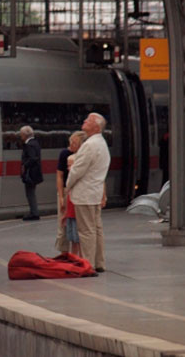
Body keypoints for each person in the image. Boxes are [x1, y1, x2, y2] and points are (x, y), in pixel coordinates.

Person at [65, 112, 110, 272]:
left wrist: (67, 186)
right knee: (96, 229)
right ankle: (99, 262)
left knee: (86, 231)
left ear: (96, 126)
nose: (84, 121)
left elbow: (77, 170)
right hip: (95, 193)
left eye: (88, 120)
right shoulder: (102, 143)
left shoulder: (90, 145)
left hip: (84, 194)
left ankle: (88, 263)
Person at [56, 130, 87, 252]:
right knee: (62, 224)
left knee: (77, 226)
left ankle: (77, 254)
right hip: (66, 190)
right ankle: (64, 252)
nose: (71, 146)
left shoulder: (84, 156)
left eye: (74, 143)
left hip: (79, 191)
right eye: (71, 142)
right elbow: (59, 176)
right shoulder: (65, 154)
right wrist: (61, 196)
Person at [20, 125, 43, 221]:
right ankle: (34, 212)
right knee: (31, 192)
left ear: (25, 135)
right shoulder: (36, 143)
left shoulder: (29, 145)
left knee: (30, 193)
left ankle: (34, 213)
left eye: (21, 134)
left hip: (31, 174)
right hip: (35, 173)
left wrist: (25, 165)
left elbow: (32, 158)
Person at [61, 154, 82, 256]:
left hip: (77, 215)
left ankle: (81, 258)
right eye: (68, 165)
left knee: (78, 240)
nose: (68, 168)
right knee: (72, 239)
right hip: (70, 214)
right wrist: (65, 214)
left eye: (70, 165)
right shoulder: (70, 179)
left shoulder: (78, 180)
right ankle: (74, 257)